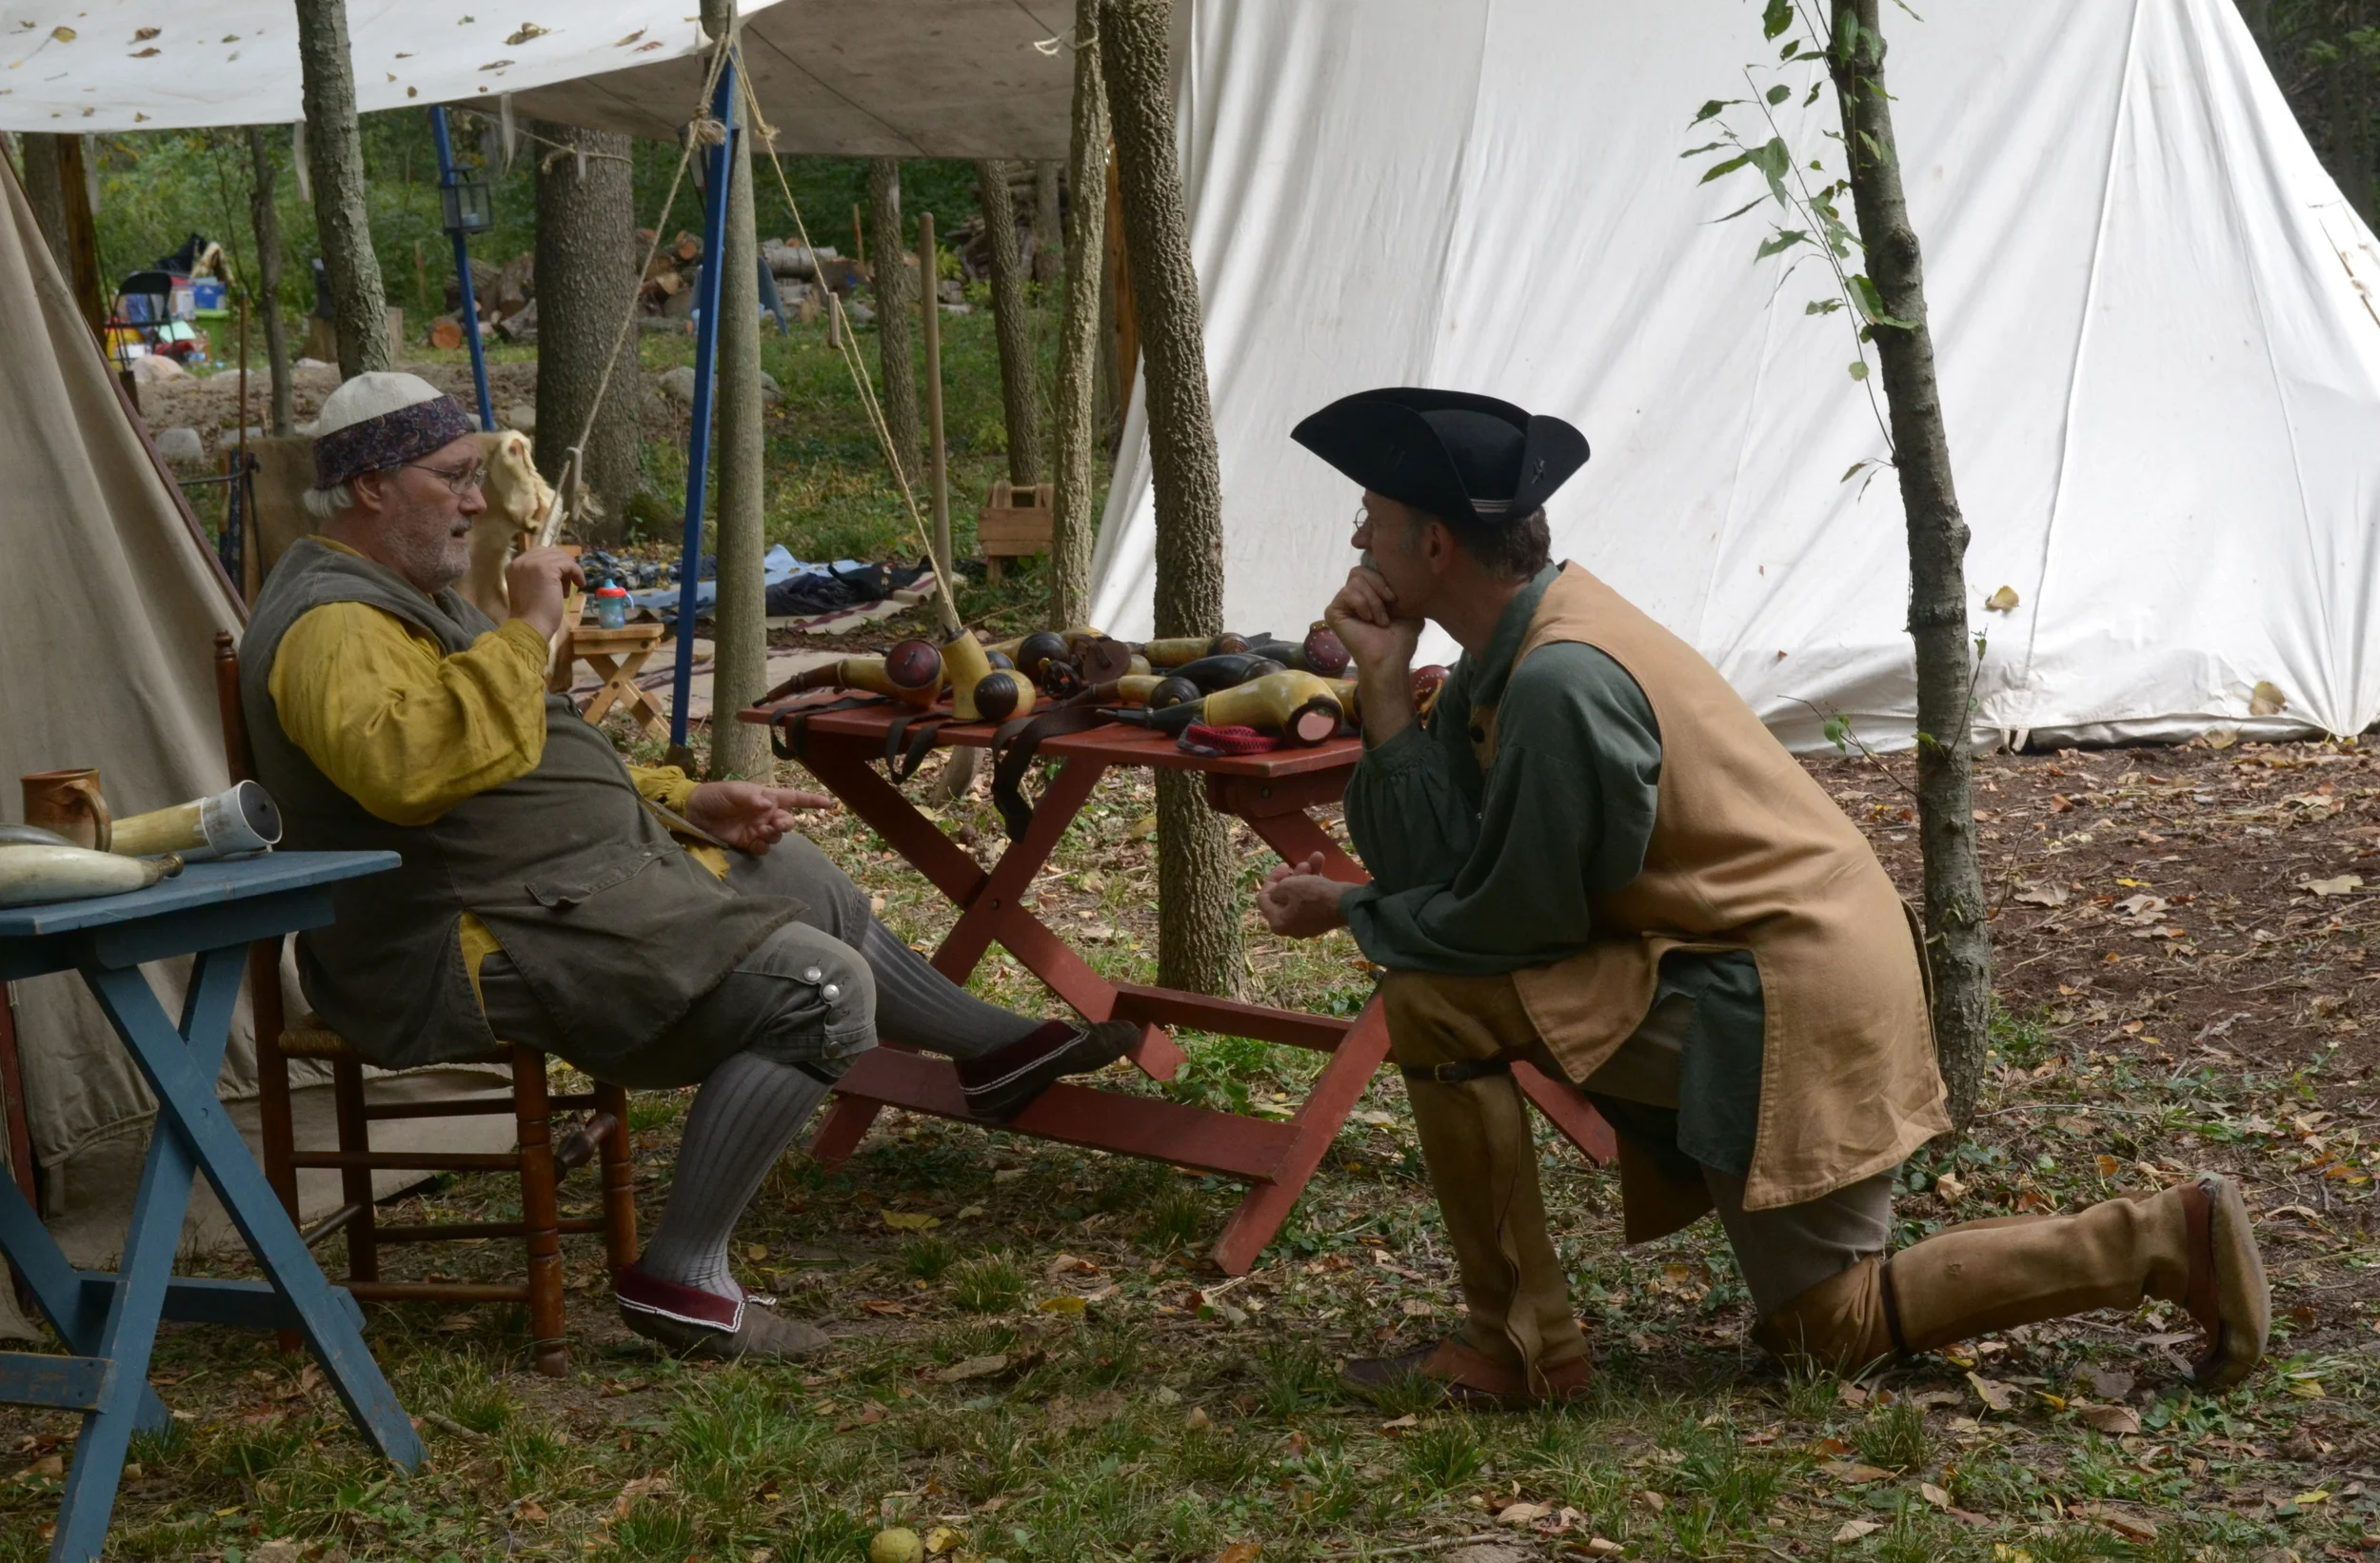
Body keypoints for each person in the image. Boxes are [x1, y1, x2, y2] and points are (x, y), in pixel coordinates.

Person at [1254, 386, 2269, 1407]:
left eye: (1370, 517)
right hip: (1762, 970)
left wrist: (1352, 909)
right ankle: (2163, 1238)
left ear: (1433, 544)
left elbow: (1519, 925)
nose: (1356, 539)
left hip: (1788, 992)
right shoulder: (1513, 648)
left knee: (1439, 1002)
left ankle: (1522, 1352)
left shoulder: (1561, 676)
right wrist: (1383, 699)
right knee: (1829, 1329)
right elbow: (1443, 870)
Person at [239, 372, 1138, 1361]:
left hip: (541, 887)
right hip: (459, 939)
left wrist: (676, 801)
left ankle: (993, 1052)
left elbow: (525, 756)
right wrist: (528, 628)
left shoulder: (402, 597)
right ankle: (684, 1276)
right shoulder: (334, 624)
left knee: (799, 877)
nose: (476, 501)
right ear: (370, 486)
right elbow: (411, 771)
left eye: (473, 477)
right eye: (451, 477)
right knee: (821, 991)